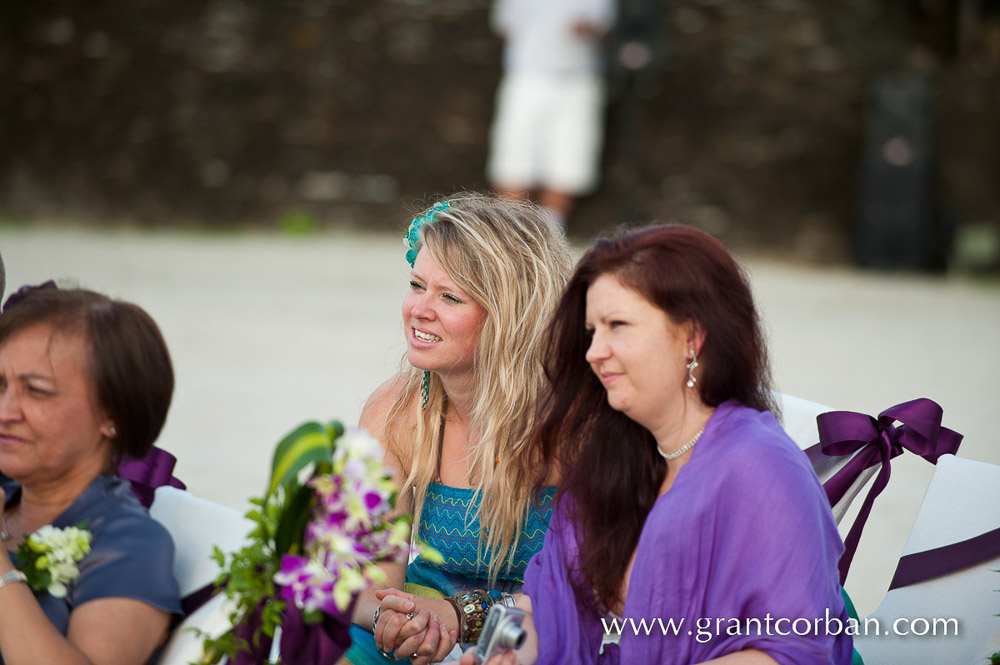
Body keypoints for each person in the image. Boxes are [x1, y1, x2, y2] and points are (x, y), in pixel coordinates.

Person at [463, 224, 853, 664]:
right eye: (592, 331)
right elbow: (549, 601)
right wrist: (510, 650)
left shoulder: (759, 465)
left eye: (618, 326)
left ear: (693, 337)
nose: (594, 351)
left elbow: (787, 653)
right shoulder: (614, 457)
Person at [340, 194, 574, 665]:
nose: (419, 310)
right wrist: (399, 618)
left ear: (512, 317)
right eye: (416, 285)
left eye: (449, 297)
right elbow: (364, 579)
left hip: (546, 635)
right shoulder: (395, 412)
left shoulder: (573, 425)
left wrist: (458, 616)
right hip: (419, 628)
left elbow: (591, 591)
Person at [0, 284, 180, 665]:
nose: (4, 411)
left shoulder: (132, 544)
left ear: (113, 415)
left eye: (36, 391)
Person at [486, 0, 616, 230]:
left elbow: (609, 32)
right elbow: (505, 29)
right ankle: (509, 231)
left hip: (579, 78)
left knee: (571, 156)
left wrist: (588, 31)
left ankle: (550, 231)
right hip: (527, 75)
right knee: (514, 154)